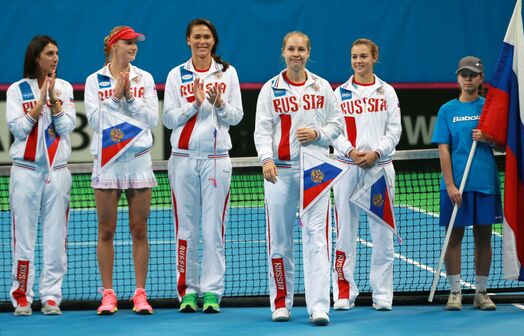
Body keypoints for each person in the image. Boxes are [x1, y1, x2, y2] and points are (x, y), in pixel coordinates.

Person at [254, 31, 343, 325]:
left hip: (316, 170)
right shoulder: (270, 88)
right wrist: (266, 159)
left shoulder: (323, 87)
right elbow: (262, 129)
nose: (296, 54)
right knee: (279, 240)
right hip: (280, 171)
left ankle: (319, 307)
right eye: (291, 49)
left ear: (308, 52)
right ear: (283, 52)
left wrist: (319, 134)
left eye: (301, 49)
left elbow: (337, 125)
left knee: (317, 238)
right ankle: (281, 303)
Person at [163, 18, 243, 314]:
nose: (202, 41)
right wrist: (195, 105)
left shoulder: (228, 73)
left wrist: (220, 104)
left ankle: (211, 292)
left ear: (213, 41)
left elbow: (236, 117)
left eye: (207, 37)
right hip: (182, 160)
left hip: (216, 161)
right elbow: (168, 120)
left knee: (213, 230)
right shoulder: (176, 74)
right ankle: (188, 292)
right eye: (197, 37)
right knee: (186, 229)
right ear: (188, 40)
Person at [85, 26, 158, 315]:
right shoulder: (95, 80)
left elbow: (153, 119)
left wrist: (131, 99)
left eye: (135, 43)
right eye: (128, 43)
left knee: (140, 229)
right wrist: (115, 97)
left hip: (138, 159)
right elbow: (93, 120)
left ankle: (140, 294)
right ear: (114, 45)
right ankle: (108, 294)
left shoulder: (146, 78)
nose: (133, 47)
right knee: (106, 230)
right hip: (107, 161)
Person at [6, 35, 76, 316]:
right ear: (36, 57)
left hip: (57, 173)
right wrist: (39, 102)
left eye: (57, 53)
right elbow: (20, 130)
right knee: (23, 238)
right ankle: (22, 296)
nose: (55, 58)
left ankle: (50, 297)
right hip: (25, 172)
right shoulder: (16, 91)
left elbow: (67, 126)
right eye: (49, 53)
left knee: (56, 237)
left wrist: (54, 102)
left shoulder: (65, 88)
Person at [331, 38, 401, 311]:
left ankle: (382, 295)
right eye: (354, 57)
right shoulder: (339, 93)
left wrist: (377, 153)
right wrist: (350, 152)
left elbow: (394, 131)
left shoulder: (387, 92)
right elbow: (333, 131)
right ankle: (344, 293)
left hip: (378, 171)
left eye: (363, 56)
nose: (358, 61)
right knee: (344, 234)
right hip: (346, 170)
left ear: (374, 57)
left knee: (382, 234)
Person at [432, 56, 503, 311]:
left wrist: (488, 138)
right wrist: (450, 185)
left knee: (484, 238)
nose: (468, 78)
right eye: (464, 74)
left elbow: (504, 146)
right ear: (458, 78)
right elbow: (443, 149)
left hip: (484, 183)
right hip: (456, 187)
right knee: (454, 237)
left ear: (481, 78)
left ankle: (482, 292)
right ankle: (455, 292)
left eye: (473, 74)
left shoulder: (490, 108)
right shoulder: (447, 110)